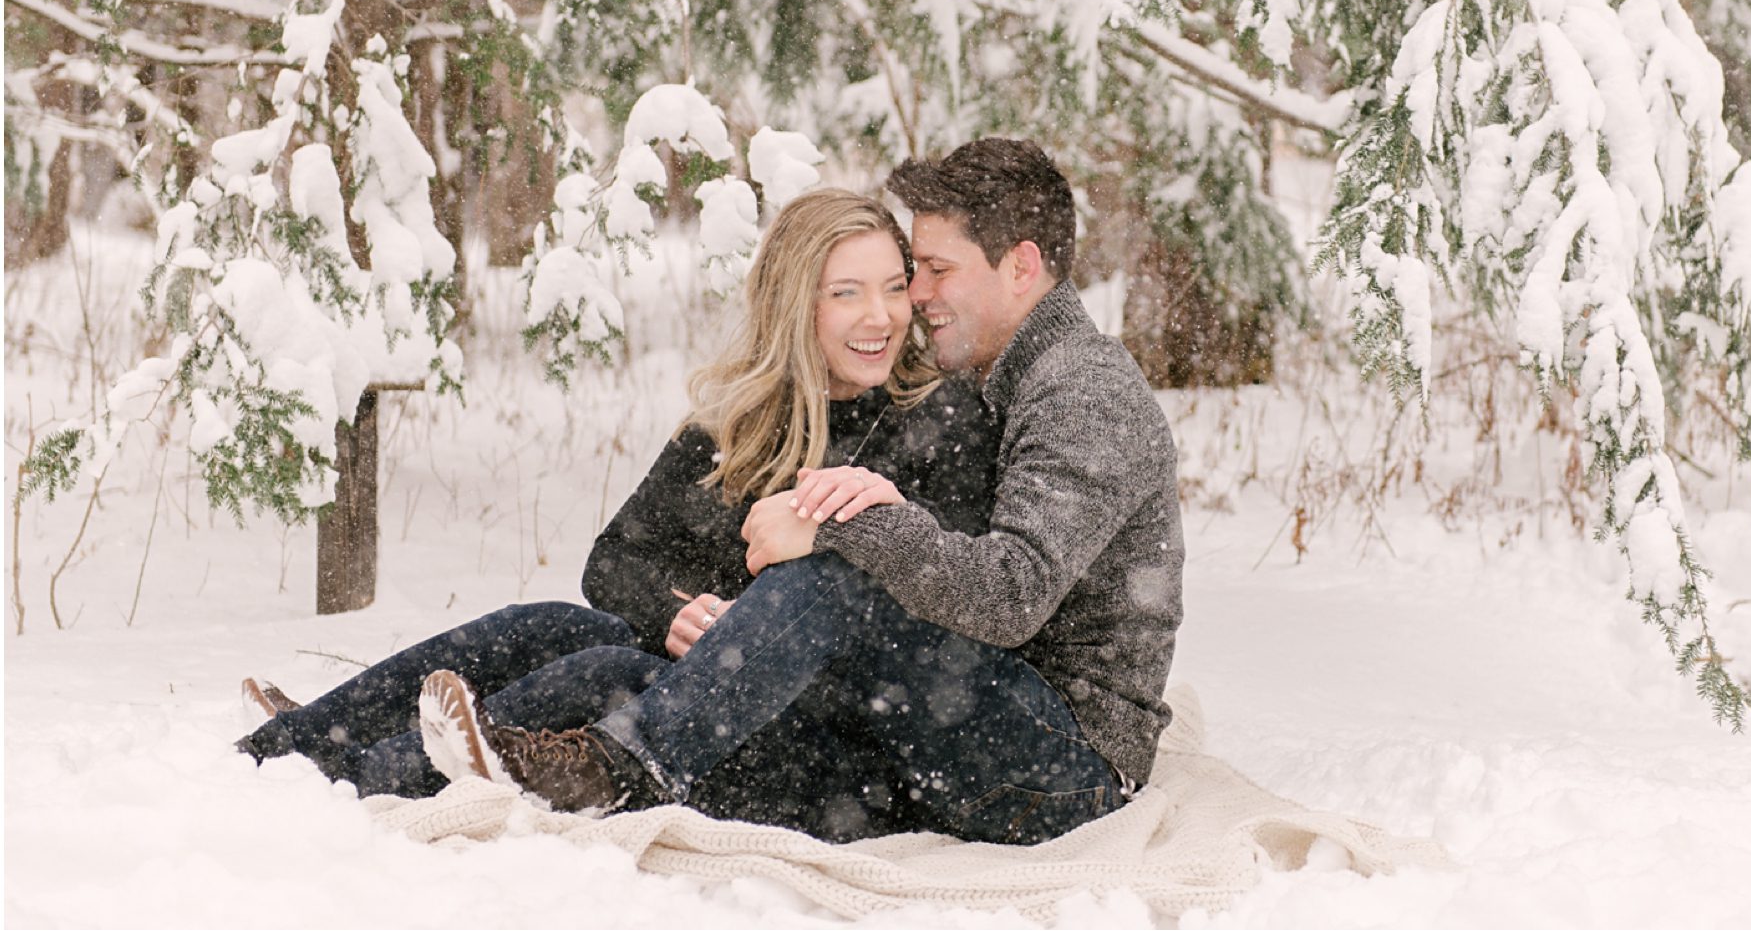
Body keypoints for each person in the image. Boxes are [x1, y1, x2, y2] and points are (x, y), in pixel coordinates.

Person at [424, 138, 1185, 847]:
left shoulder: (1083, 391)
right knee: (599, 657)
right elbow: (624, 558)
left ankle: (619, 771)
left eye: (933, 270)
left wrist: (841, 523)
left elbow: (1009, 595)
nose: (914, 297)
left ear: (1020, 267)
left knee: (832, 578)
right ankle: (330, 763)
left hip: (1071, 768)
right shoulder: (1017, 379)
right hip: (959, 729)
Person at [237, 190, 998, 840]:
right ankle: (300, 742)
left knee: (611, 670)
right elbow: (614, 560)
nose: (882, 316)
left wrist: (753, 631)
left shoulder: (941, 421)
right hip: (701, 687)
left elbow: (937, 598)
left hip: (836, 751)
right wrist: (675, 613)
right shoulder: (741, 420)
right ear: (795, 300)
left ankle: (366, 777)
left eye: (894, 287)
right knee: (552, 623)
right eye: (847, 292)